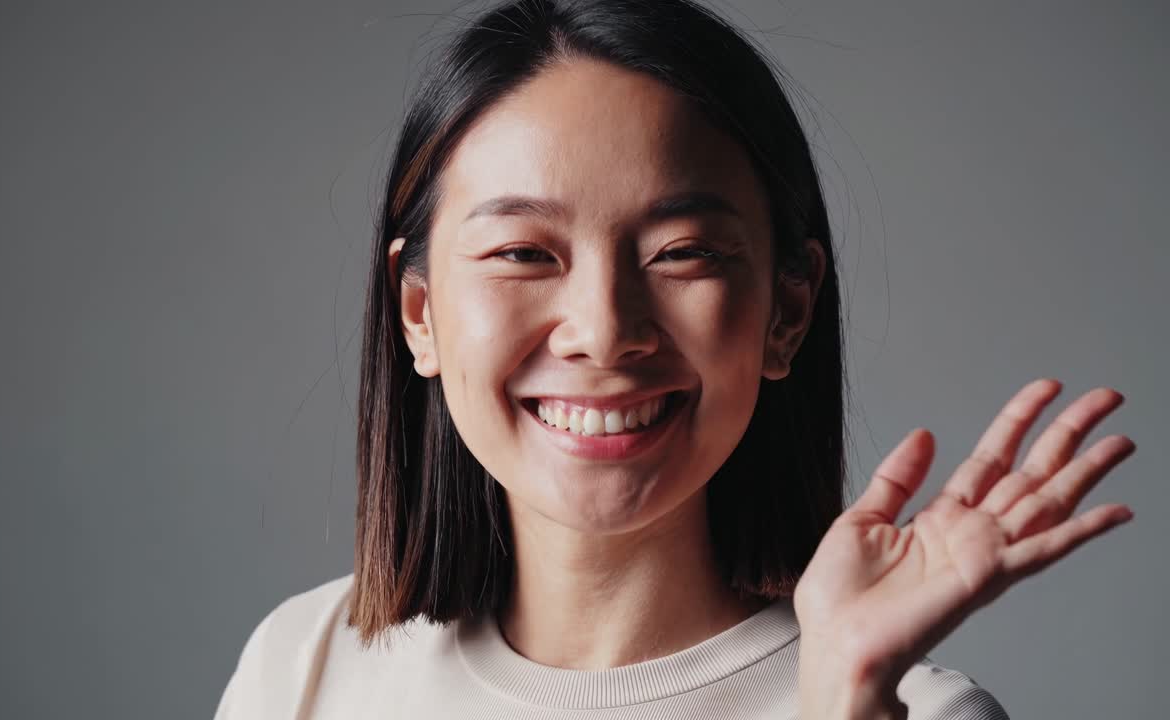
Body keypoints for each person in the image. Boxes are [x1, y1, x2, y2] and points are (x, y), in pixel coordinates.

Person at [213, 1, 1136, 717]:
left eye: (682, 253)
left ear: (787, 309)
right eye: (524, 254)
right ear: (419, 313)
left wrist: (844, 694)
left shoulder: (908, 706)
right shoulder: (305, 665)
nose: (605, 330)